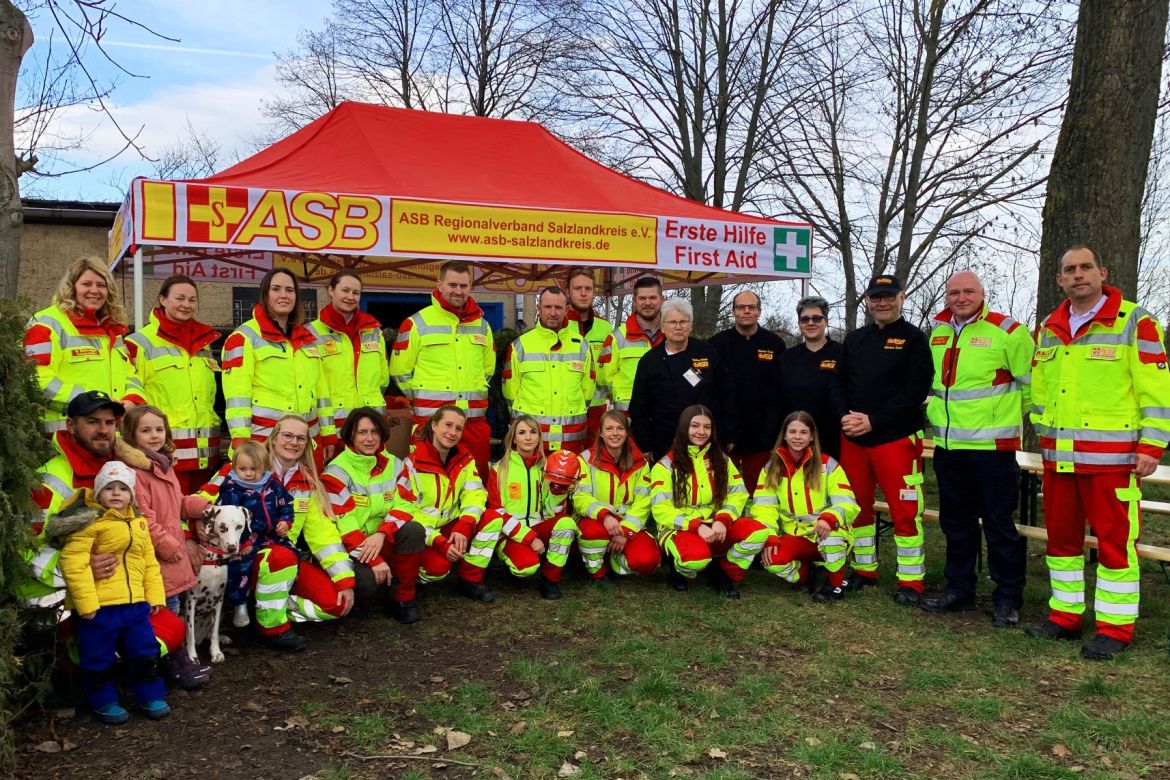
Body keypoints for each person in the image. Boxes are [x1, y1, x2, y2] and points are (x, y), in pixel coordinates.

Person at [1026, 246, 1170, 660]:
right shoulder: (1049, 328)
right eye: (1069, 269)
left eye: (1085, 267)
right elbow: (1040, 390)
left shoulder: (1135, 322)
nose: (1078, 274)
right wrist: (1044, 435)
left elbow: (1156, 392)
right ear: (1059, 280)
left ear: (1102, 272)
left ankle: (1115, 628)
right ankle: (1064, 616)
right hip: (1059, 460)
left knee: (1114, 543)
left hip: (1114, 461)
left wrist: (1152, 445)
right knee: (1062, 541)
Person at [21, 390, 200, 688]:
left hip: (116, 592)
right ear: (70, 426)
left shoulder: (122, 468)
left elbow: (159, 511)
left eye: (109, 422)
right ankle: (76, 665)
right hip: (58, 596)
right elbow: (23, 550)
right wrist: (80, 567)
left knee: (171, 628)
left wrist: (189, 535)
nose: (103, 430)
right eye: (93, 422)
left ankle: (120, 669)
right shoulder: (50, 480)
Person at [920, 271, 1033, 628]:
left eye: (968, 291)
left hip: (993, 447)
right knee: (956, 522)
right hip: (949, 446)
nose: (961, 297)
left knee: (999, 523)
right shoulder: (937, 333)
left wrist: (1003, 420)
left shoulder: (1008, 331)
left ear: (982, 293)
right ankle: (959, 589)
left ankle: (1008, 597)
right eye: (954, 292)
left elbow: (1032, 387)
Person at [830, 274, 933, 605]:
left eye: (889, 296)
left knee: (905, 510)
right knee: (856, 507)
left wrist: (874, 421)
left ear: (901, 297)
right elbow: (836, 383)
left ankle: (911, 580)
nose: (883, 302)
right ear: (868, 301)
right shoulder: (855, 339)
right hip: (855, 439)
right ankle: (864, 569)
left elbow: (915, 392)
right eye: (877, 297)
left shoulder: (915, 339)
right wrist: (845, 416)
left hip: (896, 438)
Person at [57, 461, 170, 724]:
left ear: (132, 494)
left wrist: (154, 596)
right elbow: (75, 563)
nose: (116, 493)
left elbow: (149, 563)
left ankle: (149, 694)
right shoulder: (89, 524)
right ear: (98, 493)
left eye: (122, 488)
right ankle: (103, 700)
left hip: (135, 605)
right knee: (98, 656)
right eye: (109, 488)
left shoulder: (138, 523)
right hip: (101, 607)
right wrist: (86, 603)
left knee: (143, 650)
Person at [648, 405, 770, 597]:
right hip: (681, 528)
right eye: (695, 426)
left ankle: (725, 573)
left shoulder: (721, 459)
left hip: (716, 525)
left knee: (759, 533)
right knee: (695, 560)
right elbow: (662, 510)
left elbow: (738, 493)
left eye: (707, 427)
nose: (701, 432)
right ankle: (680, 572)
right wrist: (697, 526)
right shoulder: (665, 465)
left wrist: (723, 519)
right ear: (683, 428)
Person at [389, 260, 496, 477]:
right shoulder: (416, 323)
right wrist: (423, 397)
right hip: (431, 422)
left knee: (475, 481)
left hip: (472, 423)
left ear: (470, 287)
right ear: (439, 285)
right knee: (427, 483)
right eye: (452, 285)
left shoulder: (483, 326)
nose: (458, 291)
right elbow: (399, 371)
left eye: (464, 286)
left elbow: (488, 369)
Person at [322, 407, 426, 624]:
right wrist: (375, 560)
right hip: (352, 546)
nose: (369, 438)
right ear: (351, 435)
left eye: (375, 432)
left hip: (382, 537)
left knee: (414, 530)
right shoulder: (336, 471)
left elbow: (406, 503)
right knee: (367, 581)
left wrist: (382, 533)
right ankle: (359, 598)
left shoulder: (394, 464)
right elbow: (345, 525)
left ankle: (401, 598)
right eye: (362, 432)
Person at [389, 406, 502, 604]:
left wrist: (465, 524)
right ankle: (413, 579)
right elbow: (406, 511)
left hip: (452, 525)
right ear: (433, 425)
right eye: (448, 425)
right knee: (437, 569)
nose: (452, 432)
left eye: (458, 428)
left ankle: (470, 579)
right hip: (425, 534)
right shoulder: (412, 463)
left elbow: (475, 494)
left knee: (492, 519)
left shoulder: (465, 459)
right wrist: (438, 541)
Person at [24, 257, 145, 435]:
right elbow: (36, 381)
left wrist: (131, 401)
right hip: (64, 438)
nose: (94, 290)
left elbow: (131, 375)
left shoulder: (111, 329)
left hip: (111, 437)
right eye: (86, 284)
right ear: (71, 288)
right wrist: (93, 403)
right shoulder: (45, 324)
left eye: (101, 285)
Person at [125, 274, 222, 493]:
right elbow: (132, 395)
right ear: (162, 299)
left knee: (202, 518)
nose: (186, 305)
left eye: (192, 300)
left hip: (206, 457)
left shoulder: (205, 342)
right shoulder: (138, 343)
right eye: (179, 298)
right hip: (164, 455)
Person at [222, 269, 334, 455]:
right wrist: (241, 440)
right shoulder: (244, 337)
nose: (284, 295)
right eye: (276, 289)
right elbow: (237, 396)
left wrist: (328, 433)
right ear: (265, 295)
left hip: (308, 442)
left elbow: (322, 391)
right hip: (266, 443)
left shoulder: (309, 339)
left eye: (290, 290)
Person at [750, 412, 858, 602]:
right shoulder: (772, 467)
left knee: (831, 539)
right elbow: (763, 508)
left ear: (812, 436)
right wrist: (770, 537)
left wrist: (829, 518)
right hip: (796, 536)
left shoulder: (828, 465)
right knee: (771, 560)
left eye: (803, 432)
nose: (797, 437)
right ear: (784, 435)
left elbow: (847, 502)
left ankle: (835, 585)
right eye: (792, 432)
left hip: (827, 532)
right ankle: (806, 575)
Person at [118, 405, 211, 622]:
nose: (154, 435)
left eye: (159, 429)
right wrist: (166, 544)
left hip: (170, 553)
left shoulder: (163, 464)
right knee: (161, 609)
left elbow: (175, 503)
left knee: (172, 606)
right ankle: (166, 653)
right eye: (146, 430)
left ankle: (170, 651)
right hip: (155, 554)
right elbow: (140, 516)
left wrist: (204, 508)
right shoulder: (135, 471)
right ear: (131, 434)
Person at [629, 298, 737, 461]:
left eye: (683, 321)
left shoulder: (707, 352)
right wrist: (645, 445)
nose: (678, 327)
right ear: (663, 326)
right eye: (672, 322)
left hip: (707, 440)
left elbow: (727, 393)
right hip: (665, 443)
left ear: (691, 325)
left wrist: (730, 434)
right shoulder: (650, 361)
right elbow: (639, 407)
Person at [487, 416, 580, 600]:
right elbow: (496, 512)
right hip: (510, 533)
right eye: (522, 433)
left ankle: (550, 580)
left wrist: (559, 492)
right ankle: (509, 564)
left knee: (567, 524)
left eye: (533, 432)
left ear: (539, 437)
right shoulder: (499, 469)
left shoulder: (547, 468)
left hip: (539, 527)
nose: (528, 437)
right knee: (525, 567)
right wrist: (529, 539)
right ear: (513, 438)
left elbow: (554, 512)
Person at [215, 440, 295, 633]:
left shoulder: (272, 485)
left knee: (292, 554)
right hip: (246, 538)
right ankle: (240, 604)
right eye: (243, 469)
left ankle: (287, 592)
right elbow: (228, 519)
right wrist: (242, 543)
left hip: (271, 535)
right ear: (234, 467)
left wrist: (285, 521)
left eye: (254, 469)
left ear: (265, 468)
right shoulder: (232, 489)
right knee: (240, 566)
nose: (248, 473)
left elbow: (286, 504)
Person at [503, 286, 595, 453]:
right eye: (548, 307)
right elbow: (510, 393)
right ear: (539, 308)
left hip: (571, 440)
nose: (553, 313)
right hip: (532, 443)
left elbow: (588, 391)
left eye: (558, 307)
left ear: (566, 309)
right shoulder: (520, 346)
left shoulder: (582, 346)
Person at [709, 290, 786, 489]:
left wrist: (773, 435)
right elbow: (711, 391)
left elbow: (779, 392)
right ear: (733, 311)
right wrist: (721, 433)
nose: (746, 311)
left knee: (760, 493)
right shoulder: (717, 344)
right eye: (741, 307)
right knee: (724, 491)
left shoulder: (774, 344)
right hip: (725, 436)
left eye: (751, 307)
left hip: (762, 438)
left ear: (759, 311)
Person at [573, 410, 662, 581]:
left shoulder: (640, 463)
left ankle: (616, 561)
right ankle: (596, 572)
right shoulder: (585, 459)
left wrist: (626, 531)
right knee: (592, 533)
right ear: (601, 433)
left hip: (625, 522)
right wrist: (605, 516)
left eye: (620, 428)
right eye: (609, 429)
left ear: (627, 433)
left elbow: (644, 501)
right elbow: (580, 497)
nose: (615, 433)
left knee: (647, 560)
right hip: (595, 520)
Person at [308, 270, 390, 433]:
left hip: (372, 426)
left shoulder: (374, 331)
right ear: (331, 291)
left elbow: (382, 379)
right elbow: (310, 384)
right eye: (345, 290)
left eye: (356, 293)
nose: (350, 297)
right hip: (332, 426)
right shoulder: (311, 334)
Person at [777, 296, 844, 459]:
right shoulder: (787, 358)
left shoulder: (843, 354)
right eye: (805, 319)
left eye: (816, 318)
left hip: (834, 438)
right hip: (796, 439)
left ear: (826, 321)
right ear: (799, 323)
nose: (810, 323)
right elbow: (777, 400)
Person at [563, 268, 615, 443]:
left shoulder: (605, 328)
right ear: (567, 292)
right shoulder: (559, 326)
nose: (583, 293)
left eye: (588, 288)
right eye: (578, 289)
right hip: (566, 410)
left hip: (597, 412)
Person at [604, 276, 664, 413]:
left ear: (662, 299)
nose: (647, 303)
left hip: (666, 415)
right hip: (628, 417)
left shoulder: (672, 335)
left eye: (653, 298)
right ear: (634, 301)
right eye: (642, 298)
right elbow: (605, 379)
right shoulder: (617, 338)